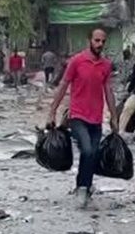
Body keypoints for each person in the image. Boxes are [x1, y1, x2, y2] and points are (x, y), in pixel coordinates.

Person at [46, 28, 119, 209]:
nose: (100, 44)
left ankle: (84, 186)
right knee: (86, 150)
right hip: (77, 116)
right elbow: (63, 86)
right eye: (97, 40)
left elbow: (108, 91)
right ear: (89, 40)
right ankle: (83, 188)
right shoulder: (77, 61)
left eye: (103, 41)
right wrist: (52, 111)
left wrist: (114, 116)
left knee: (93, 154)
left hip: (96, 118)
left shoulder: (106, 65)